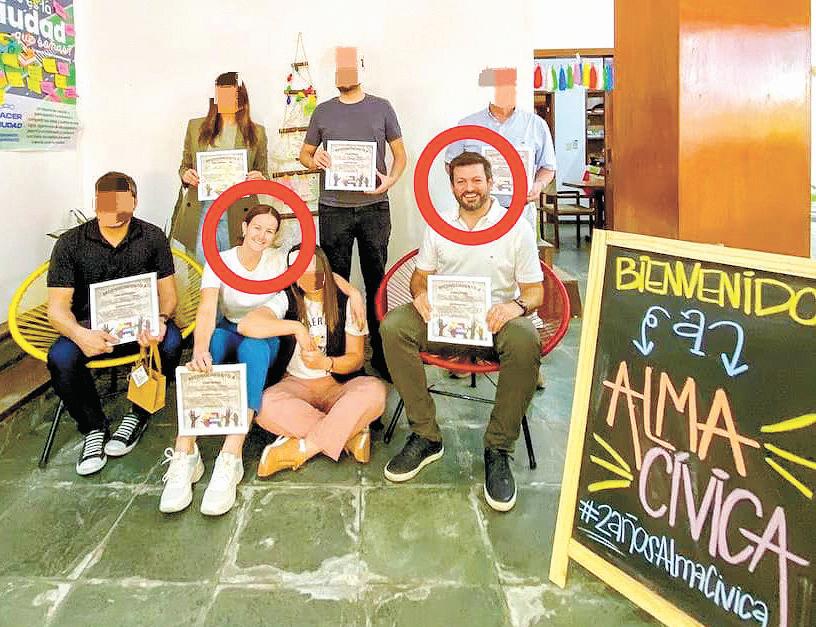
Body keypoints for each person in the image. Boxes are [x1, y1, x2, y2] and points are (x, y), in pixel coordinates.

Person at [160, 206, 366, 516]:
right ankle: (185, 451)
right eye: (257, 227)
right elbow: (207, 309)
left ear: (275, 237)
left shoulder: (278, 260)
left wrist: (353, 292)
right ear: (244, 227)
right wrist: (199, 349)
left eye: (270, 231)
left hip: (266, 331)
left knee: (254, 350)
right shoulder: (221, 260)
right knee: (212, 346)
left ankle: (231, 455)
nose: (262, 235)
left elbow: (317, 268)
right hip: (230, 328)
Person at [380, 152, 544, 512]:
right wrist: (420, 294)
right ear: (452, 186)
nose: (469, 188)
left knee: (525, 339)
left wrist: (515, 307)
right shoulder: (440, 224)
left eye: (476, 180)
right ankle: (425, 435)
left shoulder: (516, 226)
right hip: (447, 318)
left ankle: (498, 448)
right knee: (394, 327)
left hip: (496, 321)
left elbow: (535, 291)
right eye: (461, 181)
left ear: (491, 182)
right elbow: (421, 276)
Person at [47, 172, 183, 476]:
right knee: (60, 357)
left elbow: (169, 297)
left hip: (141, 326)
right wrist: (80, 335)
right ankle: (93, 427)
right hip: (90, 329)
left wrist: (161, 319)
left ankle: (138, 413)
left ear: (134, 202)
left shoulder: (152, 237)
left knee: (172, 342)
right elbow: (56, 309)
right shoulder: (70, 243)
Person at [299, 46, 406, 379]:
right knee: (335, 283)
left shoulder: (382, 107)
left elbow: (400, 155)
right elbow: (305, 154)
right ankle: (340, 357)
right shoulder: (323, 111)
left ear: (361, 69)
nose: (343, 74)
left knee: (377, 280)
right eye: (339, 69)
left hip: (375, 207)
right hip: (334, 209)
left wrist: (390, 180)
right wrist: (314, 159)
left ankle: (382, 355)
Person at [239, 245, 386, 477]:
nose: (308, 277)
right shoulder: (287, 298)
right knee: (264, 406)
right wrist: (296, 327)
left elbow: (356, 359)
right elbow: (246, 325)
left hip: (338, 385)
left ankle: (302, 449)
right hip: (295, 384)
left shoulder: (346, 301)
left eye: (313, 270)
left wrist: (326, 363)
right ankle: (349, 435)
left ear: (324, 269)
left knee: (375, 392)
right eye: (299, 271)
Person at [169, 71, 269, 263]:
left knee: (234, 268)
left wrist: (261, 179)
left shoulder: (257, 132)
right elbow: (184, 166)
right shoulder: (195, 127)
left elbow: (264, 173)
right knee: (202, 268)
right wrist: (186, 175)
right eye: (221, 95)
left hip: (238, 212)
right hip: (202, 210)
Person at [444, 67, 556, 235]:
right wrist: (468, 184)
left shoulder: (536, 124)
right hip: (478, 213)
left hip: (520, 212)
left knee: (520, 252)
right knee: (479, 251)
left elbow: (548, 167)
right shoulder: (467, 124)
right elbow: (450, 164)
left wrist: (538, 185)